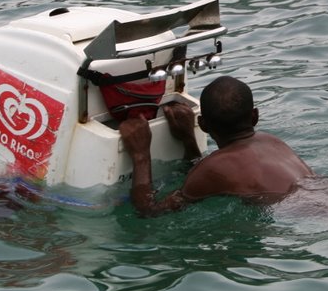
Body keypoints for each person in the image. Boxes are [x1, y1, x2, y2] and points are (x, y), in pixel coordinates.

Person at [118, 75, 314, 217]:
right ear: (255, 116)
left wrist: (141, 155)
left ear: (202, 125)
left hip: (307, 214)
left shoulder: (214, 168)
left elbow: (150, 211)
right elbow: (211, 173)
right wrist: (187, 138)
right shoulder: (272, 141)